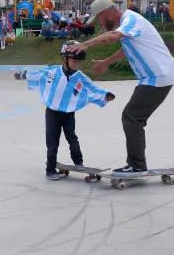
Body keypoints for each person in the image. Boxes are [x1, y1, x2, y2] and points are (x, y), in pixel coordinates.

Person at [65, 0, 174, 175]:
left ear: (107, 13)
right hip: (153, 78)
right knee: (134, 118)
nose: (101, 24)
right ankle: (136, 164)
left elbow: (112, 37)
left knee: (131, 117)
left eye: (100, 20)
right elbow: (126, 48)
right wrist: (107, 62)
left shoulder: (130, 19)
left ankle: (137, 165)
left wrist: (85, 44)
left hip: (158, 76)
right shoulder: (128, 26)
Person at [18, 40, 115, 179]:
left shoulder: (81, 78)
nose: (76, 63)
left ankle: (79, 163)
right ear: (65, 58)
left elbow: (93, 89)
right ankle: (50, 171)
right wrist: (22, 75)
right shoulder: (52, 72)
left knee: (72, 138)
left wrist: (106, 95)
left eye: (79, 61)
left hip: (69, 114)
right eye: (74, 60)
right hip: (52, 113)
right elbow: (37, 74)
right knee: (52, 141)